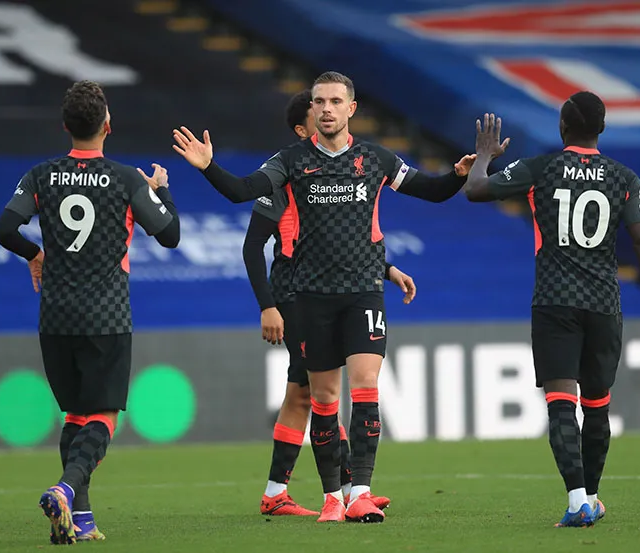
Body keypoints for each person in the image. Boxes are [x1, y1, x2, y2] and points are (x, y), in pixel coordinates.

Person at [173, 71, 475, 523]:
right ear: (311, 111)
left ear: (352, 108)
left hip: (364, 295)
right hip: (311, 297)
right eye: (320, 102)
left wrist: (456, 175)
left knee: (367, 387)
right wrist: (208, 168)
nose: (327, 108)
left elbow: (429, 191)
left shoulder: (375, 159)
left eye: (336, 101)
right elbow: (241, 191)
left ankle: (361, 493)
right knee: (323, 400)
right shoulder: (290, 161)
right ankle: (334, 497)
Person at [463, 92, 640, 527]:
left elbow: (476, 189)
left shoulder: (541, 168)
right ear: (600, 129)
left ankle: (579, 498)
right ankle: (591, 498)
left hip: (555, 301)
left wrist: (484, 156)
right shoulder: (624, 178)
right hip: (603, 304)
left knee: (562, 403)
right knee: (597, 405)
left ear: (563, 127)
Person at [0, 80, 181, 544]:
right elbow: (170, 234)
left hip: (55, 317)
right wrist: (162, 189)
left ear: (65, 126)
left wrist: (34, 254)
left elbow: (4, 229)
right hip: (106, 316)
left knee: (76, 417)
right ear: (107, 125)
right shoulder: (126, 179)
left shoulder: (41, 175)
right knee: (103, 416)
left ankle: (81, 517)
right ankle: (65, 489)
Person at [244, 90, 414, 516]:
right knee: (314, 394)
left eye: (333, 106)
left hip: (324, 287)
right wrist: (269, 305)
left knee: (305, 393)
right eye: (316, 110)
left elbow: (339, 241)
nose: (326, 114)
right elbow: (253, 247)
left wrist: (387, 268)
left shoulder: (335, 173)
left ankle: (302, 491)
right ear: (302, 129)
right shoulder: (286, 180)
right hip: (297, 294)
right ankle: (340, 490)